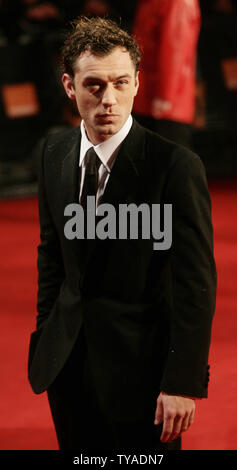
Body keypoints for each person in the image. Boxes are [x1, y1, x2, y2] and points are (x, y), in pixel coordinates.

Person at [28, 16, 217, 452]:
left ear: (137, 83)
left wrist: (183, 382)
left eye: (121, 83)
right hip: (68, 367)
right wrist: (46, 337)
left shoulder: (174, 166)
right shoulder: (54, 153)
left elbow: (195, 283)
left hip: (145, 378)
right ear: (69, 86)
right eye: (94, 85)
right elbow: (51, 255)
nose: (109, 99)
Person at [132, 0, 201, 148]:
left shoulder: (176, 3)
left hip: (165, 103)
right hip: (148, 94)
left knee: (170, 160)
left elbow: (176, 50)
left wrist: (165, 96)